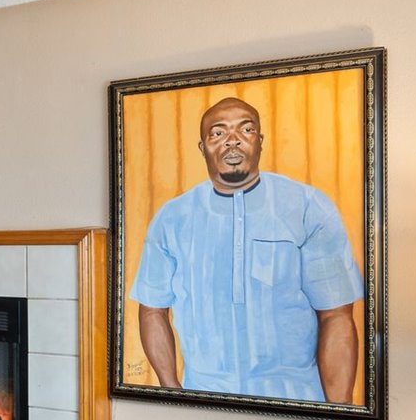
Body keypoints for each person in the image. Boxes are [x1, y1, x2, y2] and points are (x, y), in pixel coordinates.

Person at [131, 97, 362, 403]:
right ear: (202, 147)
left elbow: (336, 316)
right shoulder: (173, 218)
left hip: (298, 399)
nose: (233, 140)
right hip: (202, 400)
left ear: (260, 141)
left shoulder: (308, 207)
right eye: (218, 133)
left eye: (246, 129)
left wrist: (338, 410)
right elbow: (152, 309)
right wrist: (173, 394)